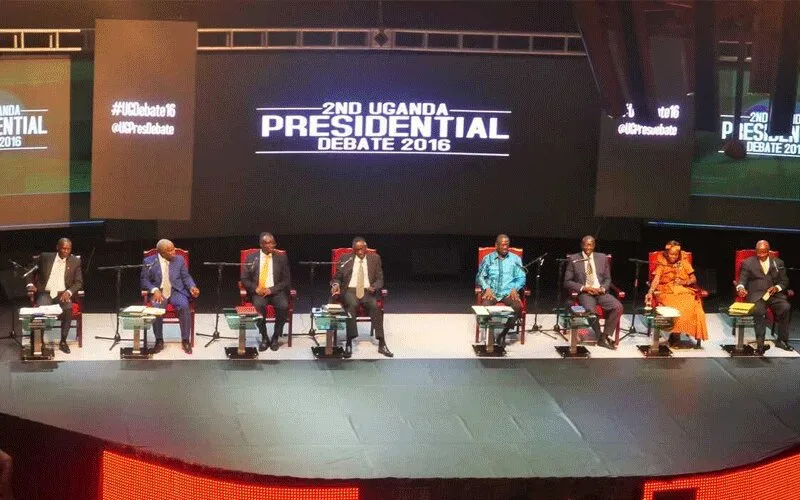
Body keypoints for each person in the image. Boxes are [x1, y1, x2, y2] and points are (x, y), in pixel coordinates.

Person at [330, 237, 393, 358]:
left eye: (361, 249)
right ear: (353, 250)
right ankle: (349, 341)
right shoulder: (345, 258)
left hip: (367, 290)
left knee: (374, 306)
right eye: (357, 250)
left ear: (366, 248)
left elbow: (380, 279)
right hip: (350, 290)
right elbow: (337, 277)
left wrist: (374, 287)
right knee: (351, 304)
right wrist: (336, 284)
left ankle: (382, 342)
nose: (359, 252)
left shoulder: (375, 258)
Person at [140, 239, 199, 354]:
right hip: (159, 292)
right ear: (161, 253)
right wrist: (154, 290)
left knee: (184, 305)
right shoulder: (149, 261)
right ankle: (159, 340)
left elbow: (186, 277)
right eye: (170, 250)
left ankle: (185, 340)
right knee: (157, 308)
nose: (174, 252)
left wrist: (192, 287)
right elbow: (144, 280)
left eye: (173, 249)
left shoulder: (179, 260)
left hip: (176, 290)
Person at [563, 235, 622, 350]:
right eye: (585, 245)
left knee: (618, 307)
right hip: (585, 293)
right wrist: (584, 288)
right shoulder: (574, 259)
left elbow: (608, 279)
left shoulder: (602, 258)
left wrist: (602, 288)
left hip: (600, 292)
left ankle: (604, 337)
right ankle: (599, 336)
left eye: (590, 245)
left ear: (594, 246)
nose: (587, 247)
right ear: (581, 245)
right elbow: (567, 282)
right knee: (591, 311)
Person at [645, 241, 708, 348]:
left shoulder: (683, 262)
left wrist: (684, 282)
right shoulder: (662, 262)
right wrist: (650, 292)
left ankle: (687, 333)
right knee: (677, 306)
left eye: (676, 254)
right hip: (666, 291)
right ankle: (676, 336)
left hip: (682, 290)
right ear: (666, 253)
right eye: (671, 254)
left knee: (693, 304)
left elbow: (693, 278)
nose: (674, 257)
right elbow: (656, 279)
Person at [25, 238, 83, 354]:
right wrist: (30, 284)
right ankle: (39, 341)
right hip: (45, 292)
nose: (66, 251)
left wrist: (69, 292)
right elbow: (30, 270)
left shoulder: (75, 261)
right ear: (57, 247)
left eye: (68, 249)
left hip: (62, 293)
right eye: (64, 248)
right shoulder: (45, 257)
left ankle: (63, 341)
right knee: (41, 310)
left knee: (68, 308)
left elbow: (78, 282)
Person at [737, 240, 792, 353]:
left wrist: (776, 288)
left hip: (773, 294)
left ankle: (782, 340)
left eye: (763, 252)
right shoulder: (748, 263)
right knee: (759, 312)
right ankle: (760, 345)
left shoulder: (778, 263)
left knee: (785, 307)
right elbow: (742, 280)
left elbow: (784, 281)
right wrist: (741, 288)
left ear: (768, 251)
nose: (760, 255)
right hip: (756, 295)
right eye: (758, 252)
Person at [240, 232, 291, 351]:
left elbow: (286, 280)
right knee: (258, 306)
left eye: (272, 243)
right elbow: (244, 278)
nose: (271, 246)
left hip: (276, 291)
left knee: (283, 306)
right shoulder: (251, 258)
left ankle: (275, 337)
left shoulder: (281, 258)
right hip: (259, 292)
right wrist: (255, 288)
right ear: (261, 244)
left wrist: (271, 290)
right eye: (267, 243)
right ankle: (264, 337)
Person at [475, 234, 526, 347]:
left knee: (517, 307)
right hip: (492, 292)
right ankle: (491, 333)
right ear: (496, 245)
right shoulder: (488, 258)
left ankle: (503, 333)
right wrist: (486, 288)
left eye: (507, 245)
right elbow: (480, 276)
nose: (505, 247)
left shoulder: (515, 259)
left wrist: (515, 288)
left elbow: (521, 277)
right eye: (502, 245)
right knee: (485, 307)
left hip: (508, 292)